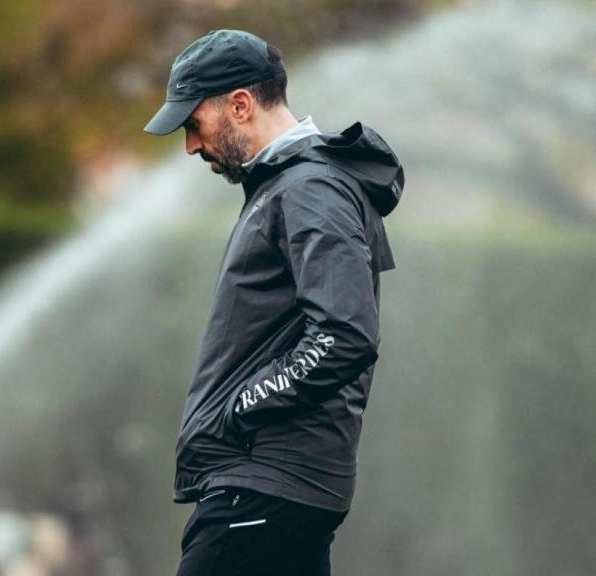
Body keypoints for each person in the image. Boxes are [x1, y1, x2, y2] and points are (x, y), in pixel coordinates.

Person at [144, 29, 403, 576]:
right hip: (277, 491)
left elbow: (344, 335)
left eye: (194, 124)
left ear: (239, 105)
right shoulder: (288, 187)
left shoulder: (309, 189)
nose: (191, 146)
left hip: (260, 488)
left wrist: (243, 407)